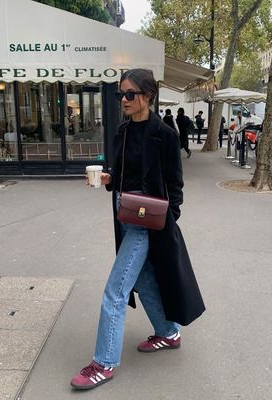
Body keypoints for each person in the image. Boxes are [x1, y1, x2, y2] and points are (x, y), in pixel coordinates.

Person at [70, 69, 205, 391]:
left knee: (115, 292)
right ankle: (168, 332)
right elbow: (122, 174)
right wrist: (108, 180)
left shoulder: (165, 134)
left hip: (148, 223)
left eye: (130, 94)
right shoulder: (124, 131)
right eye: (121, 94)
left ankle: (103, 363)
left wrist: (164, 217)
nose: (124, 100)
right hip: (124, 214)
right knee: (144, 282)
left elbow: (175, 185)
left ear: (148, 96)